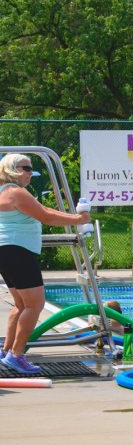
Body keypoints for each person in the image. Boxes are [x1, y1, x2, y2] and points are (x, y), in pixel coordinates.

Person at [0, 153, 91, 374]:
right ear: (14, 169)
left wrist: (72, 217)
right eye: (28, 169)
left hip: (7, 252)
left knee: (22, 305)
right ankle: (17, 355)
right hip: (18, 252)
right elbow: (46, 217)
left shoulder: (5, 192)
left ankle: (6, 351)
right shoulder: (16, 193)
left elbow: (47, 211)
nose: (31, 174)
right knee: (34, 305)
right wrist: (78, 220)